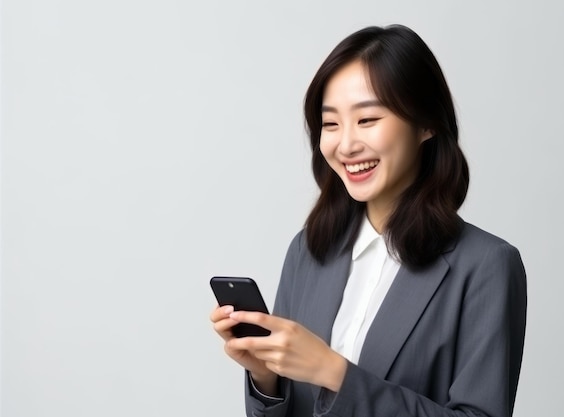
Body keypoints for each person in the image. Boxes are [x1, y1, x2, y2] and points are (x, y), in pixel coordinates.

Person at [211, 24, 526, 417]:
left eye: (367, 119)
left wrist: (335, 373)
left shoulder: (486, 266)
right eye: (330, 124)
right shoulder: (308, 251)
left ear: (426, 124)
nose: (346, 144)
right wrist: (266, 378)